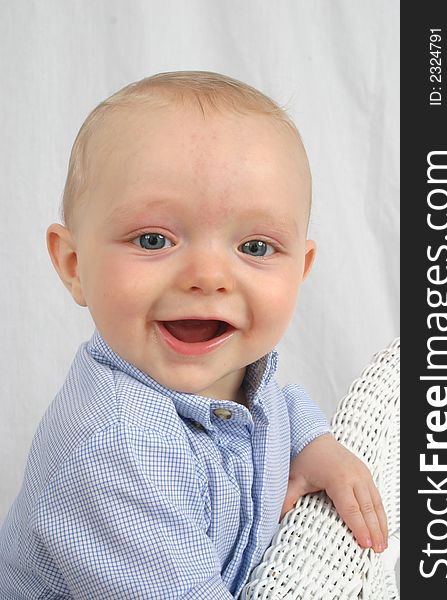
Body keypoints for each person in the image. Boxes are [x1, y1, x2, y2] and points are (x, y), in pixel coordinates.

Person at [0, 71, 388, 599]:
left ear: (301, 269)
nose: (208, 276)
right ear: (72, 264)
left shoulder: (239, 371)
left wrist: (315, 444)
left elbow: (280, 404)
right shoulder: (117, 452)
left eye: (255, 247)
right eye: (154, 238)